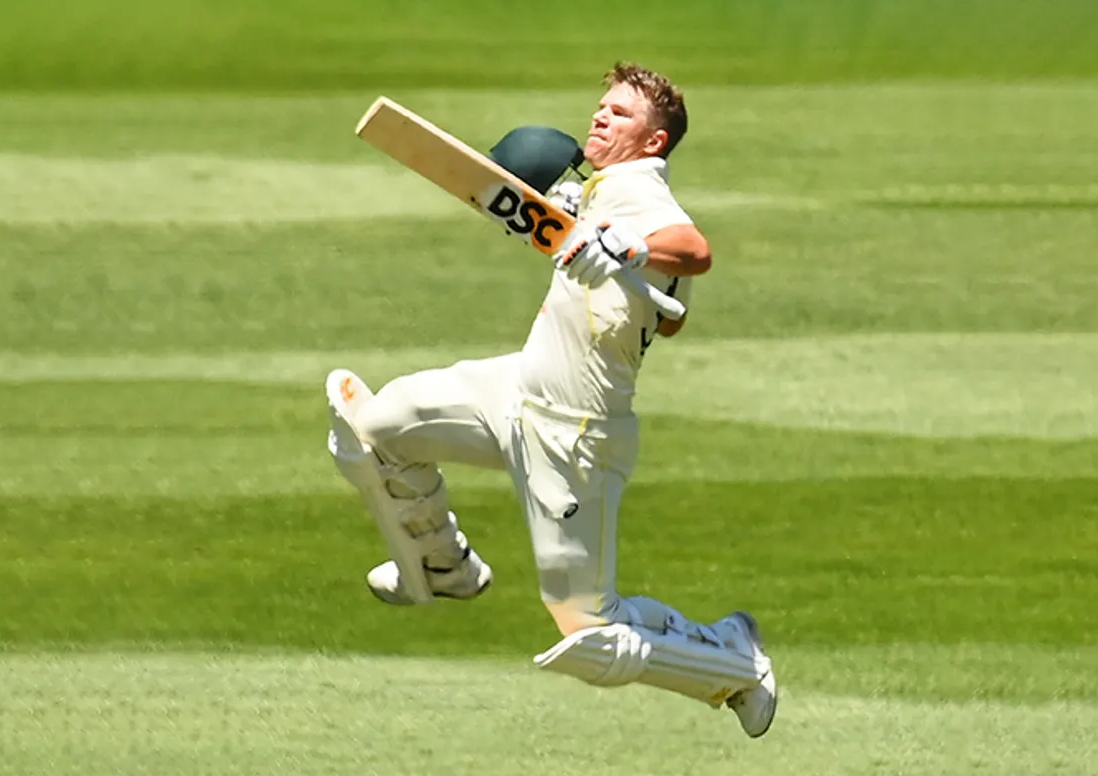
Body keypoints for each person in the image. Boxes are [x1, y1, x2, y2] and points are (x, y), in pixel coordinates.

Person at [325, 62, 777, 738]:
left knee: (589, 633)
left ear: (653, 143)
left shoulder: (638, 191)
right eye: (601, 107)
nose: (600, 117)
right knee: (379, 426)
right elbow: (673, 318)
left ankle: (735, 665)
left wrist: (627, 245)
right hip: (518, 389)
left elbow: (695, 249)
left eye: (621, 115)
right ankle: (443, 565)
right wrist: (605, 248)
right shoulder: (601, 191)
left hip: (575, 436)